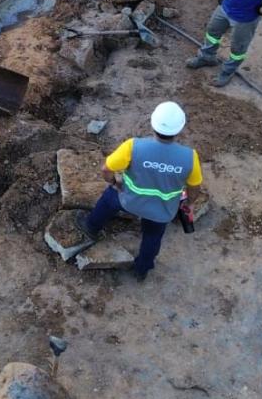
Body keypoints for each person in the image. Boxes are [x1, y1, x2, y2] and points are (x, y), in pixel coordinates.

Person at [77, 102, 200, 282]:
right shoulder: (190, 157)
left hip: (130, 201)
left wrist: (114, 183)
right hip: (162, 211)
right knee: (152, 237)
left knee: (108, 199)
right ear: (179, 129)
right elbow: (194, 187)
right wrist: (189, 203)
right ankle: (141, 269)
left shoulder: (133, 146)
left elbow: (106, 169)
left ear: (152, 123)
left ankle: (91, 227)